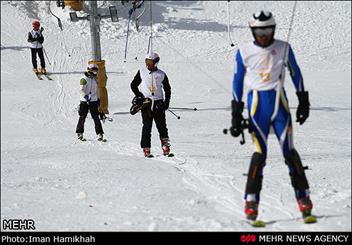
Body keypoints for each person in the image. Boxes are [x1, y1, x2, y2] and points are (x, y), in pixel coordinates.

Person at [230, 11, 312, 221]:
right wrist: (236, 112)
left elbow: (296, 73)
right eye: (259, 31)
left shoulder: (283, 47)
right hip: (257, 106)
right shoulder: (244, 50)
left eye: (267, 30)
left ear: (273, 29)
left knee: (289, 152)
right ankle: (251, 200)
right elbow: (238, 80)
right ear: (253, 31)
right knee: (260, 154)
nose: (264, 35)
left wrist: (303, 99)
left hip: (280, 105)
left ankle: (303, 198)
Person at [130, 52, 172, 157]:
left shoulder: (161, 74)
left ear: (156, 63)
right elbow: (133, 85)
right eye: (146, 62)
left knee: (162, 126)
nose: (148, 64)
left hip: (158, 103)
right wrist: (139, 95)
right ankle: (146, 147)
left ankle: (165, 146)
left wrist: (166, 102)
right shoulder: (142, 72)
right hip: (146, 103)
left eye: (151, 62)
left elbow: (167, 89)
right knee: (147, 126)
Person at [76, 63, 105, 141]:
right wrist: (85, 96)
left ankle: (100, 133)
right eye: (94, 70)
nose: (95, 72)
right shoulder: (84, 79)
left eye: (96, 70)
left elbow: (96, 90)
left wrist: (98, 99)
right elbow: (81, 90)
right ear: (89, 69)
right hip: (84, 101)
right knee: (82, 116)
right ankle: (80, 132)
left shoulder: (95, 79)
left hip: (93, 100)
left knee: (96, 117)